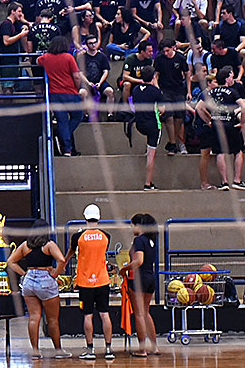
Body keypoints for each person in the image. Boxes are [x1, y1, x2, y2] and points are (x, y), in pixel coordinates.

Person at [6, 220, 70, 359]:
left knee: (34, 317)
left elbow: (10, 261)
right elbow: (61, 260)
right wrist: (55, 274)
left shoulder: (25, 245)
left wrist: (24, 274)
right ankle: (58, 350)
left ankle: (35, 351)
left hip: (29, 281)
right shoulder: (49, 245)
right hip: (45, 281)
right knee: (52, 319)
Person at [64, 203, 114, 361]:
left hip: (85, 282)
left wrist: (62, 264)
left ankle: (90, 350)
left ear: (85, 217)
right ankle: (108, 349)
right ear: (99, 217)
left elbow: (70, 253)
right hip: (103, 281)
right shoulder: (106, 236)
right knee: (104, 314)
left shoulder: (78, 237)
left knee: (88, 316)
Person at [196, 66, 245, 190]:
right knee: (238, 151)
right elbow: (244, 107)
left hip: (216, 124)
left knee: (220, 152)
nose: (232, 78)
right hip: (230, 123)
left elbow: (199, 108)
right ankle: (237, 180)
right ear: (226, 79)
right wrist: (242, 121)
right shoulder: (232, 91)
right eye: (230, 76)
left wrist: (209, 121)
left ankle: (224, 182)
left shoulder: (210, 92)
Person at [118, 214, 160, 357]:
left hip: (139, 279)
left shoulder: (139, 240)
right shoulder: (151, 240)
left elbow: (139, 261)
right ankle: (154, 347)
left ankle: (142, 349)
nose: (131, 228)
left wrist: (124, 269)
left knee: (139, 314)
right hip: (151, 278)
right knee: (146, 313)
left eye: (133, 225)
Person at [35, 36, 82, 156]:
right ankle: (63, 137)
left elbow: (37, 61)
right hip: (70, 92)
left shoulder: (46, 58)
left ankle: (67, 149)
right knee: (77, 116)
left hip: (54, 94)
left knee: (62, 121)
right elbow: (76, 76)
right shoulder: (68, 57)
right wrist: (77, 88)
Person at [131, 67, 164, 190]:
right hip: (153, 125)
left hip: (140, 124)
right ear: (154, 77)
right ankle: (148, 183)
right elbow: (162, 109)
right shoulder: (156, 91)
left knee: (149, 148)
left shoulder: (135, 90)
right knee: (151, 156)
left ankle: (148, 148)